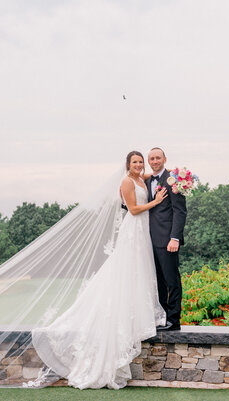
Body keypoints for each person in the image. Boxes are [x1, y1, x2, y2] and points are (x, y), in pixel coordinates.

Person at [31, 151, 167, 389]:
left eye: (140, 162)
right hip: (133, 230)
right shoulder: (126, 182)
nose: (138, 165)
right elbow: (133, 209)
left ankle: (137, 311)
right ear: (127, 165)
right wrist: (156, 202)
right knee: (127, 272)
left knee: (140, 273)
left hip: (143, 232)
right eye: (134, 162)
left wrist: (177, 176)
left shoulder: (140, 178)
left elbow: (156, 173)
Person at [146, 147, 187, 331]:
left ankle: (173, 320)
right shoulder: (146, 181)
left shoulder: (173, 180)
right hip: (148, 240)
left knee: (172, 281)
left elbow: (180, 211)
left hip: (167, 240)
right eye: (152, 158)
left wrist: (175, 238)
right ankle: (162, 317)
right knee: (158, 282)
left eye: (158, 158)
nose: (155, 161)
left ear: (164, 159)